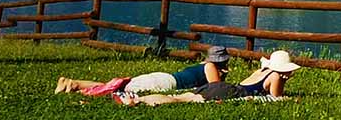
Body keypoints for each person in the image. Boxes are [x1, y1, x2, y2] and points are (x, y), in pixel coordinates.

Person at [115, 50, 300, 106]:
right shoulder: (275, 76)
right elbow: (276, 97)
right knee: (178, 100)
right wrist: (290, 97)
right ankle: (137, 101)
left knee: (180, 97)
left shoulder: (261, 72)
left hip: (225, 87)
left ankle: (135, 99)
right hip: (228, 92)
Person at [55, 45, 230, 94]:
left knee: (118, 86)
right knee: (119, 89)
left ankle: (74, 83)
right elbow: (216, 89)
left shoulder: (203, 65)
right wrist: (224, 78)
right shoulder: (210, 67)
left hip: (163, 77)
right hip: (166, 83)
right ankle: (74, 85)